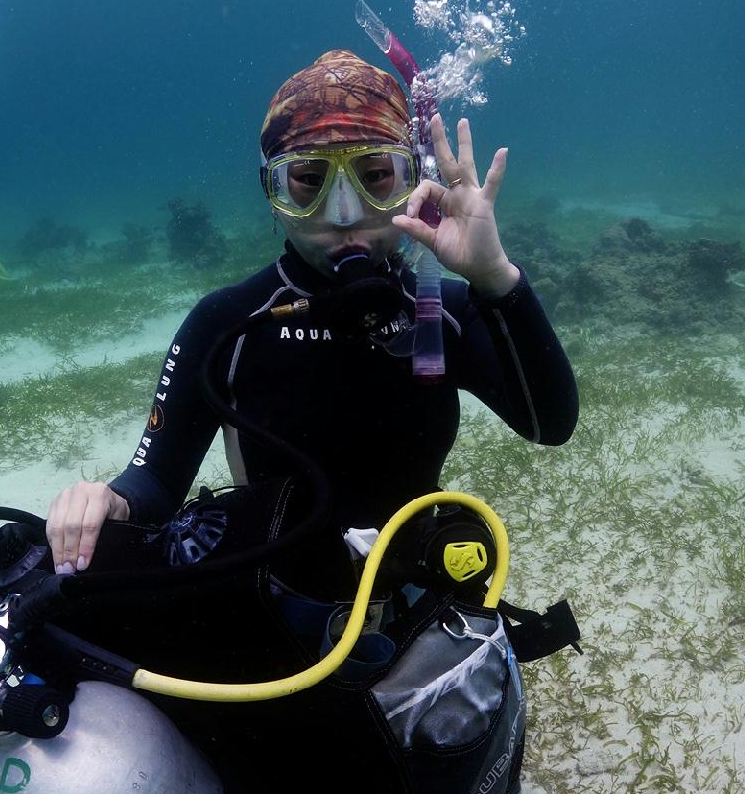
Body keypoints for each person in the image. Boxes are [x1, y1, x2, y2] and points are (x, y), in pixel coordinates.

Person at [47, 48, 578, 576]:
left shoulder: (440, 313)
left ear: (414, 182)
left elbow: (548, 423)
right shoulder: (227, 322)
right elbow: (157, 483)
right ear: (271, 191)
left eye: (375, 177)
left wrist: (495, 279)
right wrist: (111, 501)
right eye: (308, 180)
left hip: (411, 598)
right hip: (271, 608)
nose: (343, 214)